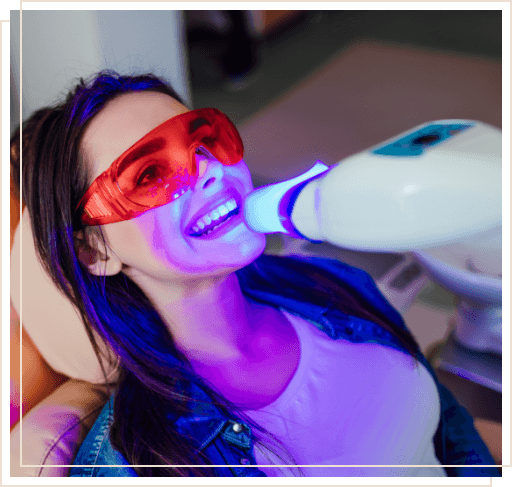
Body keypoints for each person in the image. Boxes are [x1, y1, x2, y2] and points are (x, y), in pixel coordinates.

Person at [10, 71, 500, 478]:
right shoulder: (137, 463)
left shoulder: (334, 283)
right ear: (95, 251)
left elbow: (452, 434)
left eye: (206, 139)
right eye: (150, 174)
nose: (206, 171)